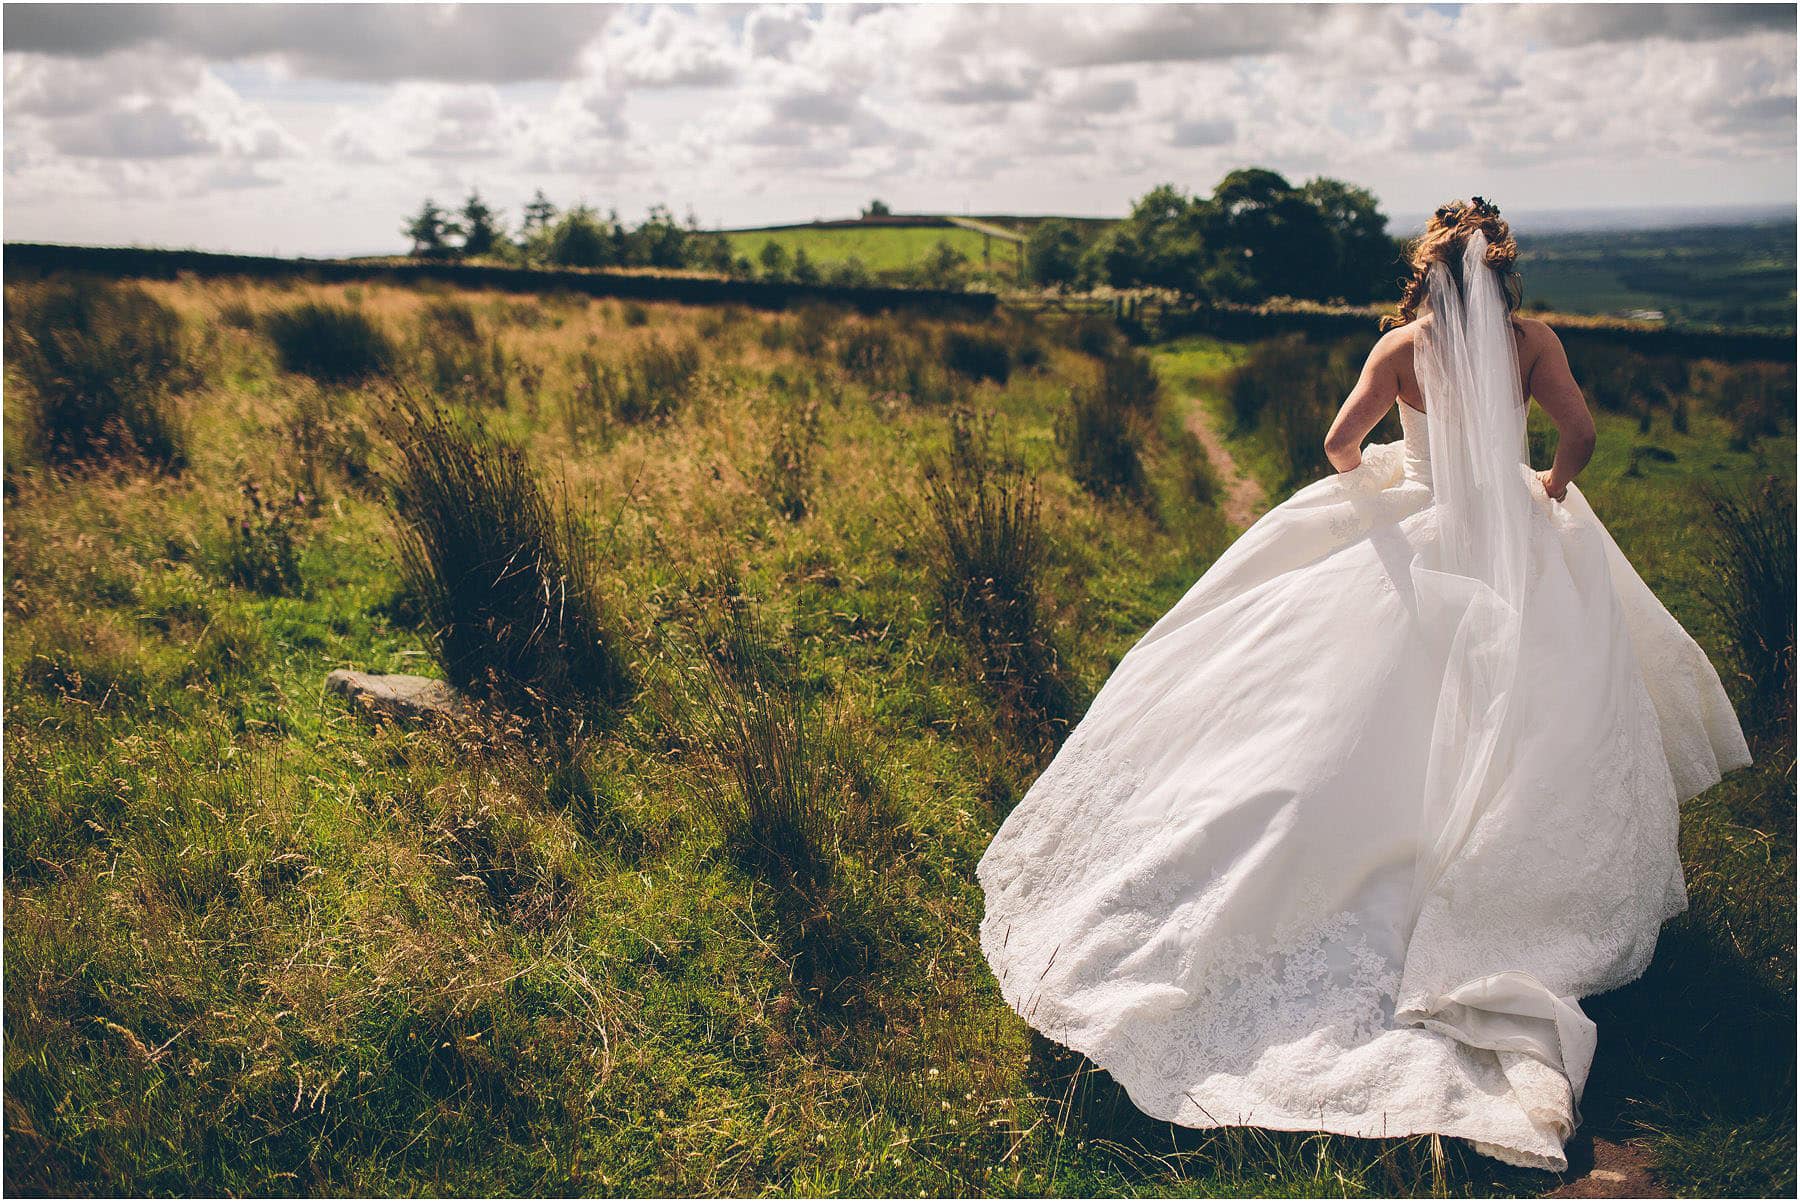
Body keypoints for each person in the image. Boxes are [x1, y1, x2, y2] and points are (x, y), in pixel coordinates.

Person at [975, 197, 1752, 1172]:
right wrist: (1544, 489)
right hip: (1512, 546)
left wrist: (1394, 477)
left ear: (1425, 276)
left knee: (1357, 722)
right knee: (1533, 722)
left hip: (1422, 536)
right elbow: (1582, 434)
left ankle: (1369, 869)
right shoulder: (1534, 340)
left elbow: (1342, 446)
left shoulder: (1399, 351)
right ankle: (1511, 878)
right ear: (1503, 274)